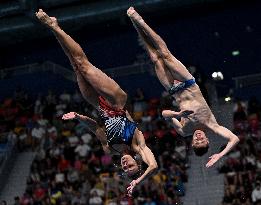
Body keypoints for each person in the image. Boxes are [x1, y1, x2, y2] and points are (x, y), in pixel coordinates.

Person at [35, 9, 158, 195]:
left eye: (125, 169)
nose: (126, 165)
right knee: (83, 64)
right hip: (116, 101)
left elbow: (96, 128)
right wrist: (138, 181)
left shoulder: (111, 149)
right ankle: (52, 25)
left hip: (99, 106)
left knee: (75, 66)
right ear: (137, 160)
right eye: (131, 166)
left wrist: (78, 117)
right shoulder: (138, 145)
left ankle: (55, 27)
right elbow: (154, 166)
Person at [127, 7, 239, 167]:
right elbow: (234, 138)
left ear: (192, 143)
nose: (199, 138)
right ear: (207, 139)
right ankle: (140, 21)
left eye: (197, 142)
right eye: (202, 141)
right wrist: (220, 155)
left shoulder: (184, 130)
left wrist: (178, 113)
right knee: (164, 54)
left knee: (154, 57)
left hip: (172, 89)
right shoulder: (211, 125)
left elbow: (164, 114)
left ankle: (134, 24)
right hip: (187, 82)